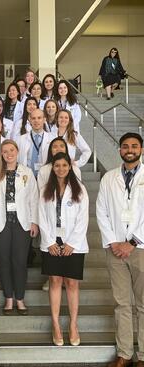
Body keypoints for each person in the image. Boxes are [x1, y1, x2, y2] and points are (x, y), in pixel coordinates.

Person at [96, 132, 144, 367]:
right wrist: (114, 242)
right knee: (122, 303)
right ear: (120, 150)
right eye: (125, 146)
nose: (129, 149)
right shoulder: (109, 178)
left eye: (134, 146)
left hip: (141, 248)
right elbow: (101, 210)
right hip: (115, 250)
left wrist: (132, 242)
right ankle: (124, 353)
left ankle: (143, 355)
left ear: (141, 150)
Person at [39, 152, 89, 346]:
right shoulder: (45, 189)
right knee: (55, 281)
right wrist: (50, 241)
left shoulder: (80, 190)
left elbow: (83, 219)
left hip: (73, 244)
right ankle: (56, 324)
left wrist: (72, 243)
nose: (60, 168)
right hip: (52, 243)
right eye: (57, 165)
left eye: (64, 165)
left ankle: (73, 325)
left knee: (72, 284)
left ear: (70, 167)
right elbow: (41, 216)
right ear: (53, 168)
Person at [0, 140, 39, 315]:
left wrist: (34, 221)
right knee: (4, 262)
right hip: (1, 224)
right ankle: (8, 299)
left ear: (17, 151)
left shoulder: (27, 172)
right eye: (5, 151)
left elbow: (34, 198)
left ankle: (20, 298)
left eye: (11, 150)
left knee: (19, 262)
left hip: (22, 224)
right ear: (1, 154)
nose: (9, 154)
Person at [15, 109, 52, 177]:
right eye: (33, 118)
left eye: (39, 118)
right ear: (30, 120)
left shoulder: (52, 139)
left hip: (46, 177)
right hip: (26, 177)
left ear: (44, 120)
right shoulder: (20, 139)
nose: (36, 121)